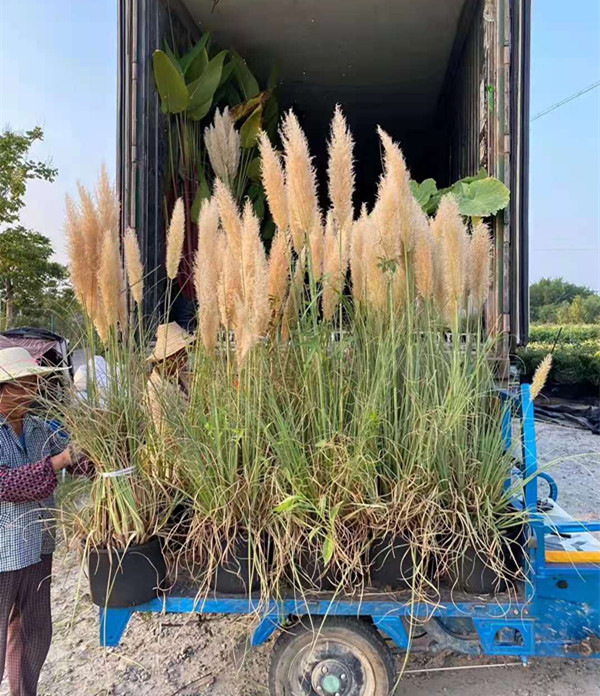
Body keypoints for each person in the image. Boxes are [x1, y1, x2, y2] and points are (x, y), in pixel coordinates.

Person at [0, 347, 76, 696]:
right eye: (25, 384)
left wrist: (94, 449)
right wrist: (59, 461)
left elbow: (76, 459)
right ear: (4, 389)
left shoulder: (37, 426)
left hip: (38, 545)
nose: (33, 390)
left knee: (34, 633)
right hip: (3, 554)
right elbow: (7, 485)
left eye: (34, 382)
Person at [146, 322, 195, 431]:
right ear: (169, 358)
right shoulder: (155, 386)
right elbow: (162, 428)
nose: (185, 358)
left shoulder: (182, 375)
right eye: (181, 354)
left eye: (185, 352)